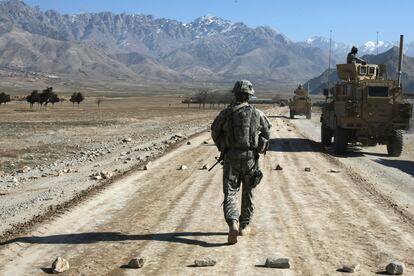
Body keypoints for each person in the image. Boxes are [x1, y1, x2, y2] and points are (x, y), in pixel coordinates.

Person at [211, 80, 271, 244]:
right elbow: (267, 133)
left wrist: (223, 147)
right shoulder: (257, 113)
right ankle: (245, 226)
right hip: (251, 159)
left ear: (235, 94)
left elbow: (215, 132)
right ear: (249, 96)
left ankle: (233, 224)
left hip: (231, 158)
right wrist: (260, 147)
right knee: (248, 192)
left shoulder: (225, 113)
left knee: (230, 192)